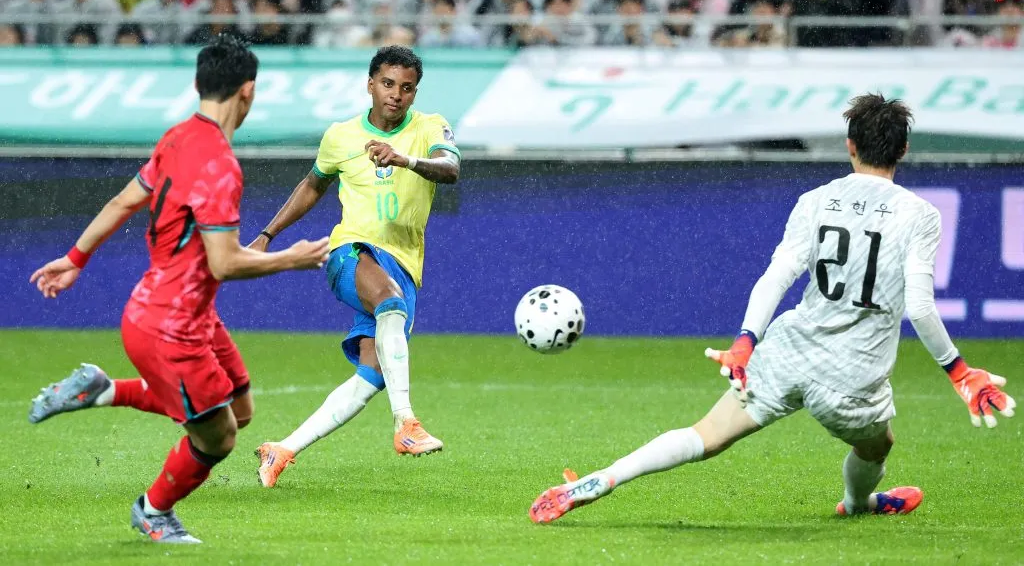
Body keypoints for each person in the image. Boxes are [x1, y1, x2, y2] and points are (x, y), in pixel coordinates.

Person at [529, 93, 1016, 524]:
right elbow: (921, 306)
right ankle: (857, 503)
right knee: (877, 445)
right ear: (903, 149)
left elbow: (776, 278)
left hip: (790, 349)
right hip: (852, 374)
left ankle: (604, 477)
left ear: (850, 145)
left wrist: (745, 342)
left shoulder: (815, 200)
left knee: (706, 435)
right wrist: (959, 373)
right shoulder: (920, 215)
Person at [26, 35, 330, 544]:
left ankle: (102, 389)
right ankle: (153, 511)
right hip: (171, 327)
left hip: (187, 313)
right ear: (248, 91)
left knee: (241, 410)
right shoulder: (220, 165)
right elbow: (224, 262)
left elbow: (124, 202)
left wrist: (75, 258)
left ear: (197, 83)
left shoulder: (176, 137)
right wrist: (290, 258)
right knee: (218, 437)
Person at [253, 46, 461, 487]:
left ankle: (282, 450)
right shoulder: (341, 136)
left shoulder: (429, 126)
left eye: (407, 88)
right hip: (351, 251)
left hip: (404, 263)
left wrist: (405, 159)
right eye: (387, 84)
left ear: (415, 92)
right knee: (389, 302)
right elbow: (313, 184)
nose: (396, 94)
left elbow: (450, 169)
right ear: (370, 85)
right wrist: (268, 234)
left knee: (372, 376)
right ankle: (406, 423)